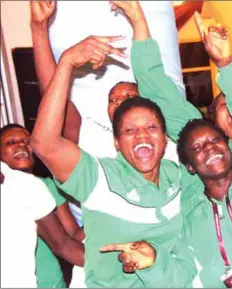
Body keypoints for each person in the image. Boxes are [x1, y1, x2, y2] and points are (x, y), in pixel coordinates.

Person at [103, 2, 232, 287]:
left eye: (214, 141)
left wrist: (226, 64)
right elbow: (160, 94)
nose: (209, 148)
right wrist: (138, 19)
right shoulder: (188, 201)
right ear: (189, 164)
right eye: (199, 149)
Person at [30, 10, 196, 287]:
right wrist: (61, 56)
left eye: (131, 98)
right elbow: (45, 141)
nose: (122, 104)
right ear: (117, 141)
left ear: (164, 133)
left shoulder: (179, 167)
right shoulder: (98, 168)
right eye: (114, 100)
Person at [47, 1, 185, 154]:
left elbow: (151, 70)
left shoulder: (175, 135)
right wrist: (137, 17)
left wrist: (38, 27)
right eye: (114, 100)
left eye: (128, 96)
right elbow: (152, 72)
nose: (119, 102)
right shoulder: (174, 124)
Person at [0, 123, 84, 288]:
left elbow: (68, 240)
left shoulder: (43, 186)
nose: (21, 146)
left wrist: (99, 215)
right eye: (11, 142)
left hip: (51, 282)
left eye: (27, 142)